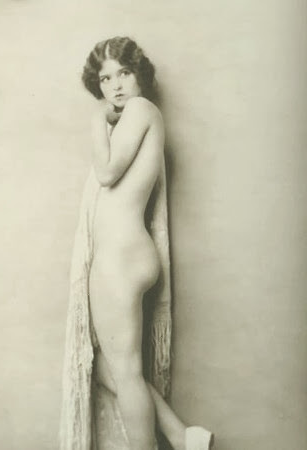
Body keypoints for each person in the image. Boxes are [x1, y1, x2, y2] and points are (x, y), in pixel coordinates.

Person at [81, 36, 214, 450]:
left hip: (120, 257)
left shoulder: (140, 109)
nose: (115, 85)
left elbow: (107, 173)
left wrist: (95, 122)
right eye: (105, 78)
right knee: (109, 366)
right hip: (126, 254)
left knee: (123, 371)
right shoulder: (136, 120)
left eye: (124, 72)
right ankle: (182, 435)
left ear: (140, 74)